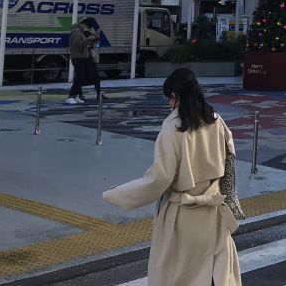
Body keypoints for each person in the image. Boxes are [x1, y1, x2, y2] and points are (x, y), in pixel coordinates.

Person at [103, 68, 242, 285]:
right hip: (213, 212)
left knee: (179, 274)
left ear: (175, 96)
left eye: (169, 98)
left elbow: (159, 179)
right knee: (215, 273)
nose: (169, 104)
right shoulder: (215, 120)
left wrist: (120, 194)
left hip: (182, 215)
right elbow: (230, 160)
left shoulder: (173, 128)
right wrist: (231, 199)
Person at [67, 18, 100, 104]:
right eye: (88, 27)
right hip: (78, 57)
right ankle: (71, 96)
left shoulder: (80, 31)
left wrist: (92, 40)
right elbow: (77, 44)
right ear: (84, 24)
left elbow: (84, 43)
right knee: (80, 77)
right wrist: (88, 39)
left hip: (82, 57)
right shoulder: (76, 31)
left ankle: (75, 95)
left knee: (81, 77)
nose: (88, 29)